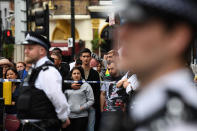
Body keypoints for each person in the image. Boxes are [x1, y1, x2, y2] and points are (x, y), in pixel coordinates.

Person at [114, 0, 197, 130]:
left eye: (138, 24)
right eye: (125, 23)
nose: (122, 34)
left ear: (177, 36)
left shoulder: (182, 122)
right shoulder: (152, 105)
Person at [17, 32, 70, 131]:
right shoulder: (36, 69)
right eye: (26, 48)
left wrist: (63, 118)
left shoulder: (48, 72)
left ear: (42, 50)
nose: (26, 51)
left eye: (30, 48)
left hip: (42, 127)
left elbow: (58, 98)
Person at [64, 67, 94, 131]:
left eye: (78, 73)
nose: (76, 75)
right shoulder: (67, 86)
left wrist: (81, 107)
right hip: (69, 116)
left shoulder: (86, 86)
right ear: (71, 75)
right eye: (74, 73)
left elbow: (91, 100)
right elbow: (63, 100)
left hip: (81, 116)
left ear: (81, 75)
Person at [80, 48, 100, 131]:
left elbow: (97, 90)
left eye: (88, 56)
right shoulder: (77, 71)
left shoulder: (95, 73)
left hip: (91, 105)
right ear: (80, 58)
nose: (86, 58)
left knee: (90, 128)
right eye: (84, 56)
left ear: (91, 58)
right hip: (79, 105)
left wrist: (93, 104)